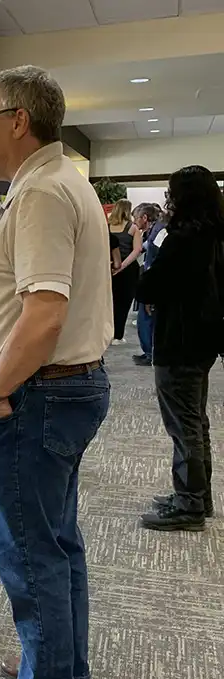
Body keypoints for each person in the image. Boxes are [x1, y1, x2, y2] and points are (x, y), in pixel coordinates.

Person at [0, 66, 112, 679]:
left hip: (38, 393)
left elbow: (45, 314)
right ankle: (63, 667)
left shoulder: (43, 193)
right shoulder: (60, 180)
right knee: (58, 540)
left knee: (29, 550)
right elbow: (40, 290)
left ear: (17, 121)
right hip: (67, 389)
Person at [136, 166, 224, 531]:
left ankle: (189, 504)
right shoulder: (215, 238)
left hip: (178, 343)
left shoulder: (181, 239)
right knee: (195, 421)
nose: (167, 202)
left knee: (184, 425)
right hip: (203, 342)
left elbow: (149, 288)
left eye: (172, 194)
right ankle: (198, 498)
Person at [132, 203, 166, 366]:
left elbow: (158, 258)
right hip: (151, 281)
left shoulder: (159, 231)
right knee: (145, 320)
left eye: (136, 218)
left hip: (154, 282)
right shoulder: (154, 231)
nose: (135, 222)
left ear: (145, 218)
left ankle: (151, 353)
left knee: (146, 320)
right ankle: (149, 352)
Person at [108, 199, 143, 344]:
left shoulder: (106, 226)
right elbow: (137, 250)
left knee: (109, 303)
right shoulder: (133, 228)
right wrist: (122, 265)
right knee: (124, 303)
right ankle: (118, 335)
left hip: (109, 269)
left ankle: (108, 333)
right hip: (127, 271)